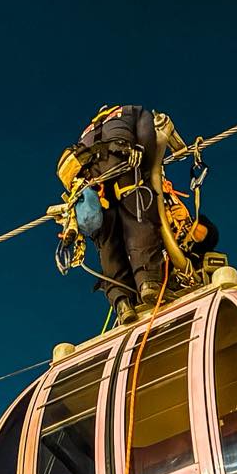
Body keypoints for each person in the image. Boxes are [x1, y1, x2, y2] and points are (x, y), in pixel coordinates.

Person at [59, 104, 165, 326]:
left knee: (107, 243)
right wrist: (144, 162)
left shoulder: (86, 132)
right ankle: (148, 283)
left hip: (93, 188)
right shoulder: (132, 110)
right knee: (138, 224)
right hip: (124, 168)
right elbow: (147, 133)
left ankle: (122, 301)